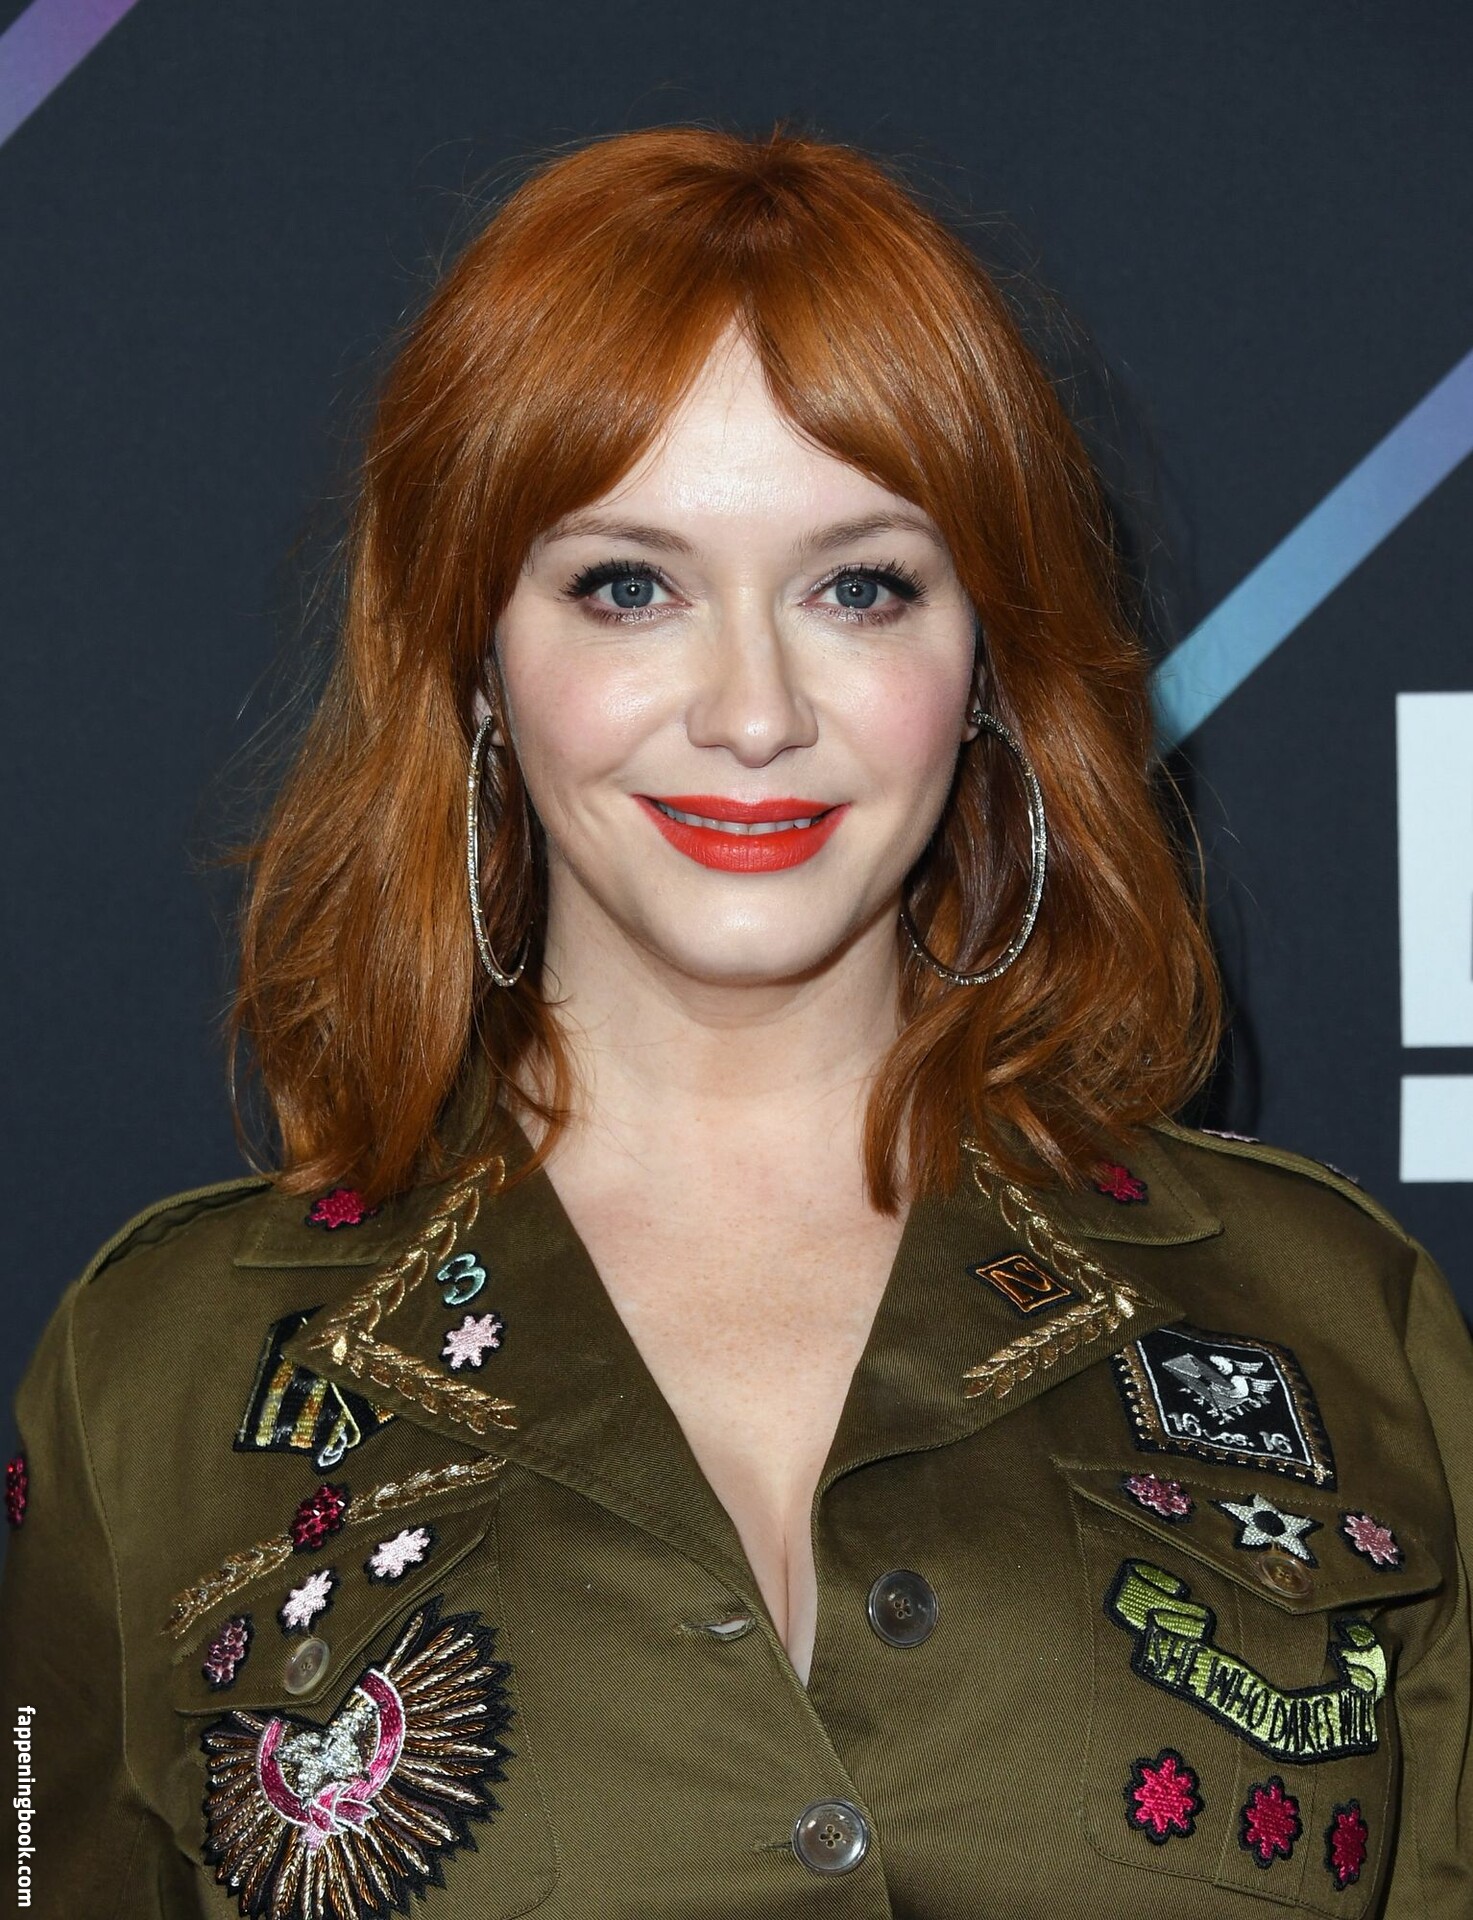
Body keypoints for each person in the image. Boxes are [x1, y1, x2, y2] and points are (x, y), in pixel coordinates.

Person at [1, 125, 1468, 1920]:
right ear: (477, 655)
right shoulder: (154, 1372)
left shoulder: (1334, 1318)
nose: (753, 712)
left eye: (861, 586)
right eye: (629, 585)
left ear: (984, 662)